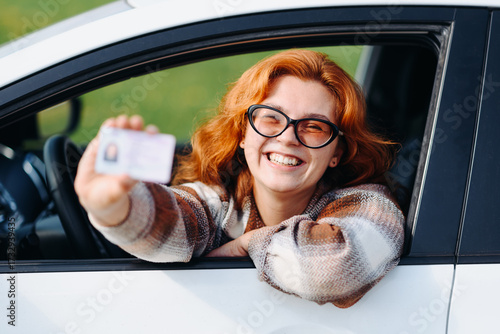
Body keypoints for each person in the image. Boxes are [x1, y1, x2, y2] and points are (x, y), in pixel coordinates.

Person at [75, 49, 404, 308]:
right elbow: (172, 222)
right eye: (271, 118)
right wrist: (114, 209)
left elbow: (334, 269)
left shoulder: (370, 205)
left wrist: (247, 245)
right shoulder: (219, 201)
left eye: (314, 126)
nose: (288, 138)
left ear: (337, 152)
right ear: (243, 133)